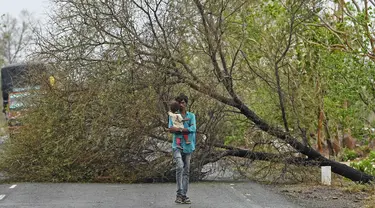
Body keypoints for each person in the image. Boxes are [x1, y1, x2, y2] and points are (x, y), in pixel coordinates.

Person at [168, 93, 196, 204]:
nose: (181, 104)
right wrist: (183, 129)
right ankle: (179, 193)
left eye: (183, 102)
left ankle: (184, 195)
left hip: (188, 147)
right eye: (180, 102)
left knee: (186, 171)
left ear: (186, 103)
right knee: (179, 166)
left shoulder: (191, 116)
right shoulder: (174, 116)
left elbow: (193, 128)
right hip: (177, 145)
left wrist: (179, 129)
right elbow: (171, 128)